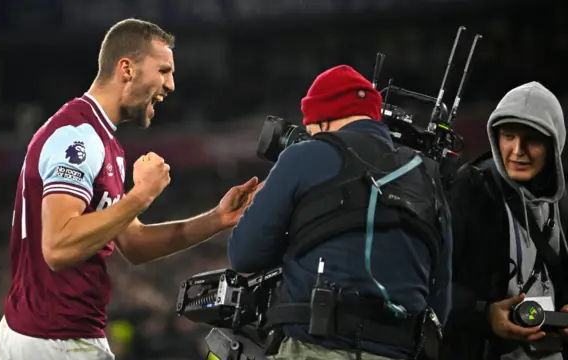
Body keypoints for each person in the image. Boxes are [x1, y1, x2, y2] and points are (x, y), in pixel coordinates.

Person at [0, 18, 261, 360]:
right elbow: (58, 247)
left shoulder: (103, 142)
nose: (171, 84)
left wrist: (218, 219)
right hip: (56, 338)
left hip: (51, 334)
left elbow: (134, 243)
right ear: (127, 69)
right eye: (164, 70)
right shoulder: (78, 135)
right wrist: (141, 195)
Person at [227, 65, 452, 360]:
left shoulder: (303, 156)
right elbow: (441, 303)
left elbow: (245, 255)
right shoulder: (428, 176)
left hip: (316, 347)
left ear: (322, 120)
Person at [440, 81, 567, 360]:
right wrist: (485, 314)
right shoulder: (472, 190)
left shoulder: (559, 204)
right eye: (508, 136)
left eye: (531, 139)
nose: (517, 150)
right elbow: (433, 281)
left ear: (554, 144)